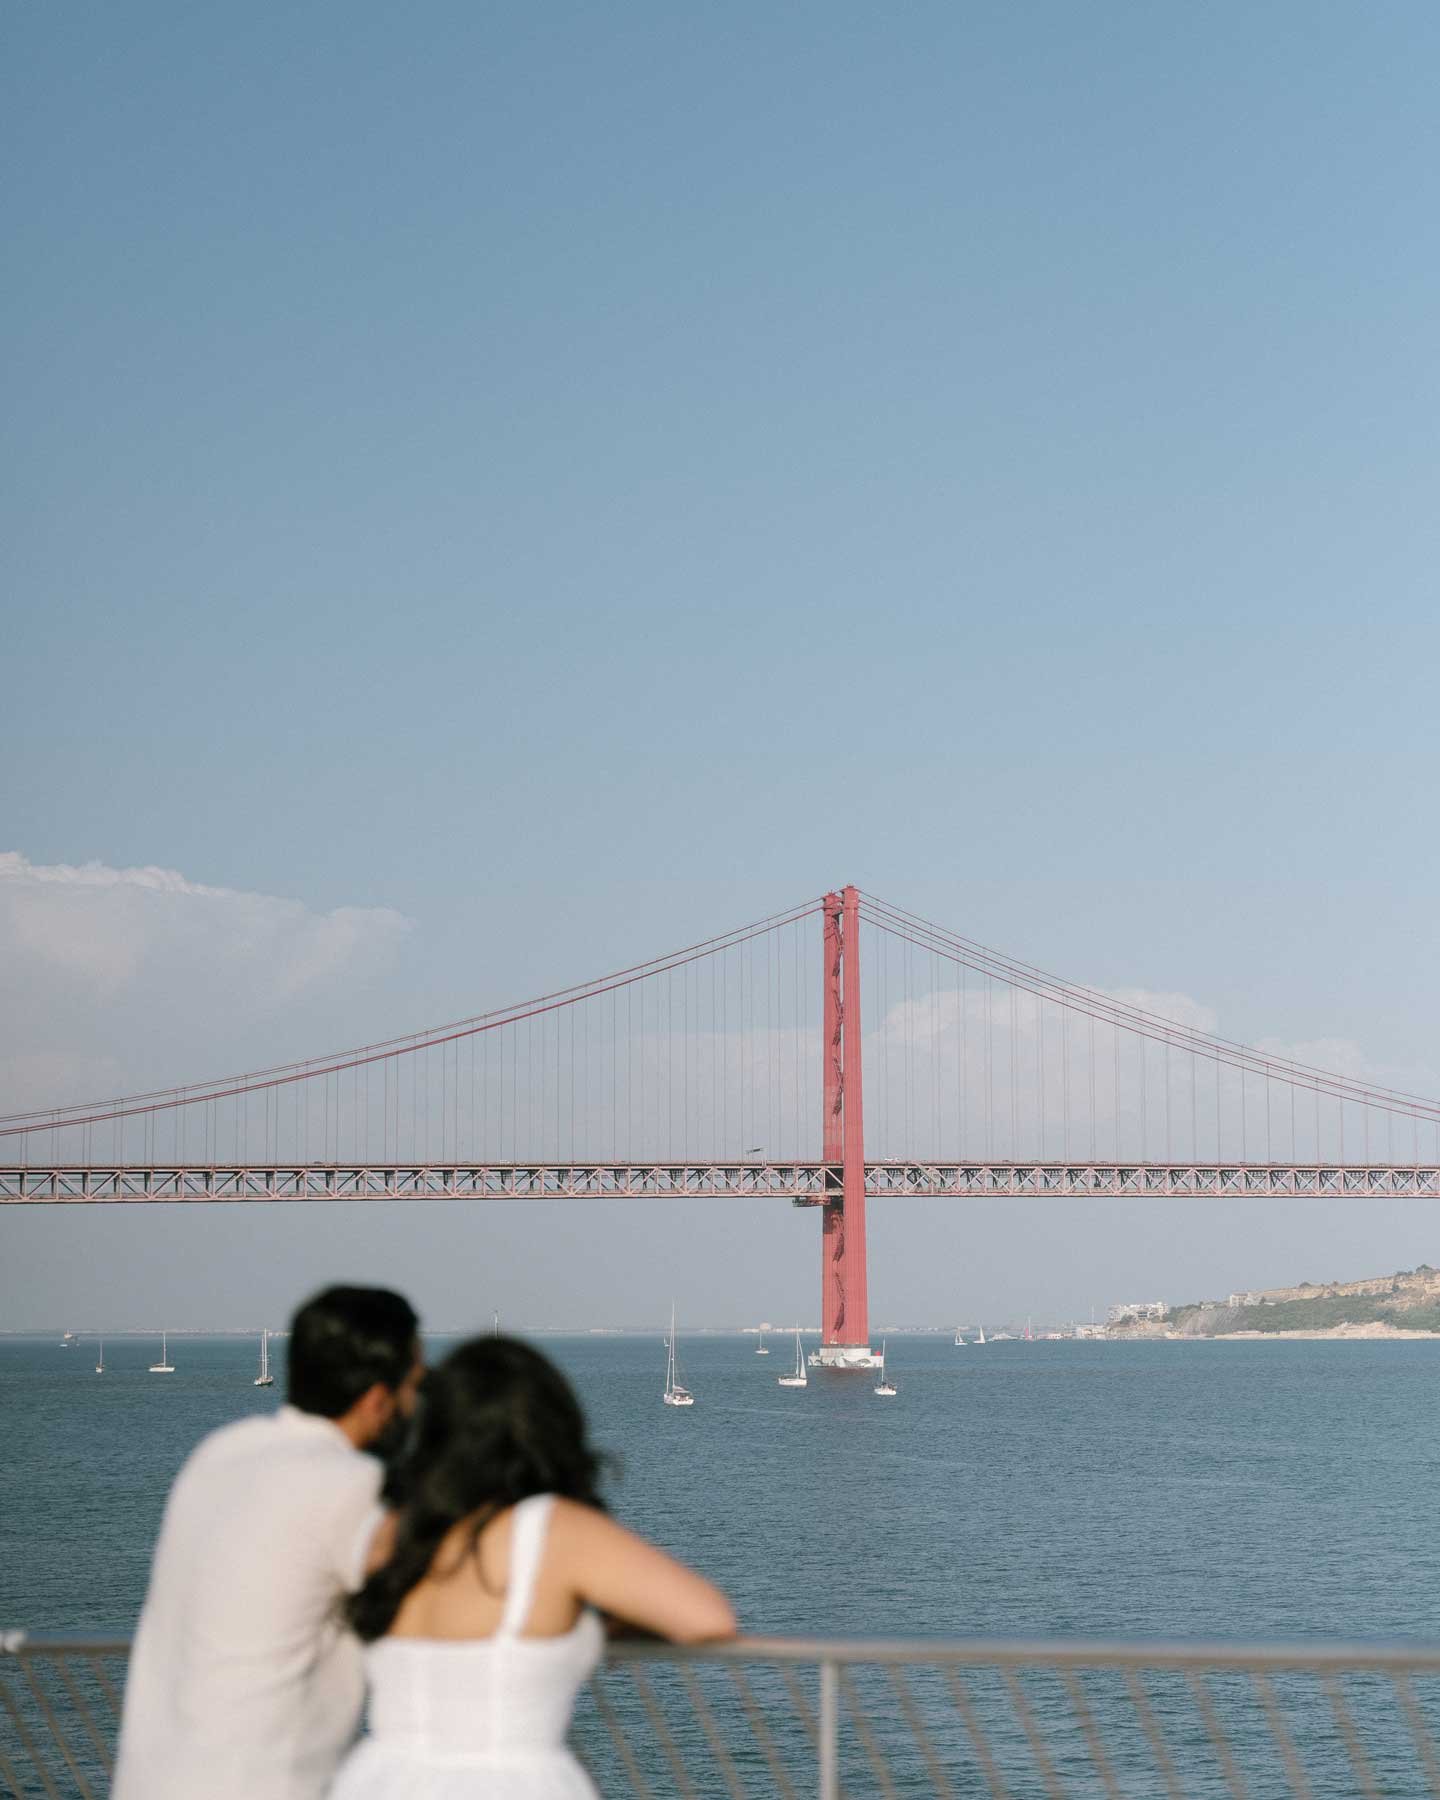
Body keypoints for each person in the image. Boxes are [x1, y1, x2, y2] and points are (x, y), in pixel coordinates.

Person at [330, 1336, 737, 1799]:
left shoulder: (387, 1532)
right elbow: (709, 1618)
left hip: (379, 1779)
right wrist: (604, 1623)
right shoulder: (551, 1529)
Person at [112, 1285, 425, 1800]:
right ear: (377, 1399)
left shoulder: (219, 1454)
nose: (419, 1402)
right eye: (415, 1384)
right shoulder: (349, 1486)